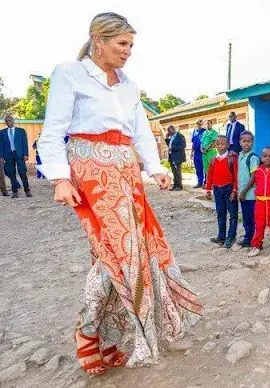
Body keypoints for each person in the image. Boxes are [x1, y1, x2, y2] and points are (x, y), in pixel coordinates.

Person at [36, 13, 202, 373]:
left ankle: (105, 335)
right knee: (120, 254)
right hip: (91, 171)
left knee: (127, 254)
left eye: (131, 45)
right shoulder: (70, 73)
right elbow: (53, 131)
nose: (128, 52)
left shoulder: (129, 85)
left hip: (126, 171)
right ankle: (89, 332)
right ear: (99, 39)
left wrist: (155, 169)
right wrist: (59, 178)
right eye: (122, 44)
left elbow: (141, 131)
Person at [205, 136, 239, 248]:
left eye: (223, 144)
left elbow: (236, 175)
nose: (220, 146)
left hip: (229, 188)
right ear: (215, 145)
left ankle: (231, 236)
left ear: (228, 145)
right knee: (221, 214)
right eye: (218, 144)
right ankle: (221, 236)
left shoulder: (232, 158)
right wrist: (208, 189)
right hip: (217, 189)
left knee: (233, 214)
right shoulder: (213, 159)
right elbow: (210, 175)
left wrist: (234, 190)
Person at [237, 131, 261, 248]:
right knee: (246, 218)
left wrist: (244, 191)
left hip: (250, 195)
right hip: (243, 195)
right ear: (239, 142)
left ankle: (256, 241)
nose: (246, 143)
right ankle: (248, 238)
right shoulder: (240, 156)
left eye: (249, 141)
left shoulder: (253, 158)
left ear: (252, 142)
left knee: (253, 219)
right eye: (244, 141)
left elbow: (254, 177)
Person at [0, 115, 31, 198]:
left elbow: (25, 143)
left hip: (20, 154)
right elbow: (1, 145)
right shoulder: (2, 132)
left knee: (22, 172)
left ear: (13, 121)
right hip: (8, 155)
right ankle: (15, 192)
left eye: (9, 120)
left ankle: (27, 190)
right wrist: (1, 156)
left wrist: (26, 154)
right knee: (11, 173)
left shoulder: (21, 131)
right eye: (6, 121)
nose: (7, 122)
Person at [165, 125, 186, 191]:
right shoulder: (171, 136)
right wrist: (166, 138)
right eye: (168, 131)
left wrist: (172, 148)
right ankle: (175, 185)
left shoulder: (180, 136)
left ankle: (179, 186)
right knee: (174, 172)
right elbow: (169, 145)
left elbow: (182, 146)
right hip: (172, 156)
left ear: (173, 129)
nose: (169, 132)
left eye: (169, 131)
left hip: (178, 157)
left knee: (177, 171)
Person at [191, 119, 206, 188]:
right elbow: (193, 143)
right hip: (196, 153)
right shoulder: (194, 132)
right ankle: (199, 182)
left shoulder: (205, 131)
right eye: (197, 123)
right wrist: (191, 152)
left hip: (202, 153)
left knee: (205, 168)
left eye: (200, 123)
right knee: (198, 168)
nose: (199, 125)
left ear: (202, 124)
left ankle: (205, 183)